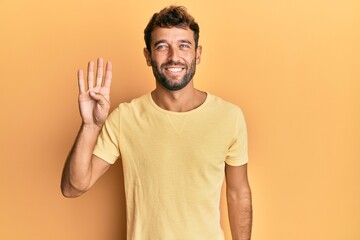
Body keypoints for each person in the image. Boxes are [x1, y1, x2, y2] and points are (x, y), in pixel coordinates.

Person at [61, 5, 252, 240]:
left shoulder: (229, 117)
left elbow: (238, 192)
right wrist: (90, 126)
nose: (174, 56)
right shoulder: (124, 118)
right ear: (148, 56)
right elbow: (73, 187)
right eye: (162, 47)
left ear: (198, 54)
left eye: (184, 45)